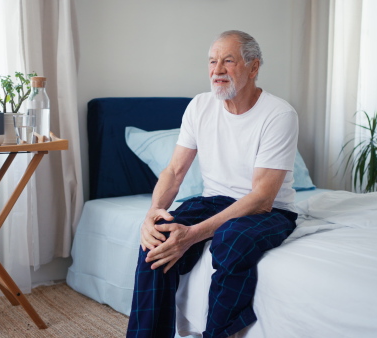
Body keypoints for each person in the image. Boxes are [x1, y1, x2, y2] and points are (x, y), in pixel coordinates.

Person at [126, 30, 299, 338]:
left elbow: (261, 198)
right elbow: (175, 171)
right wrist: (153, 211)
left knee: (231, 240)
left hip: (269, 210)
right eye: (212, 61)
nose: (217, 70)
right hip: (214, 200)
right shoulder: (199, 106)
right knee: (157, 240)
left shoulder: (278, 114)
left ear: (253, 67)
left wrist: (192, 235)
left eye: (228, 61)